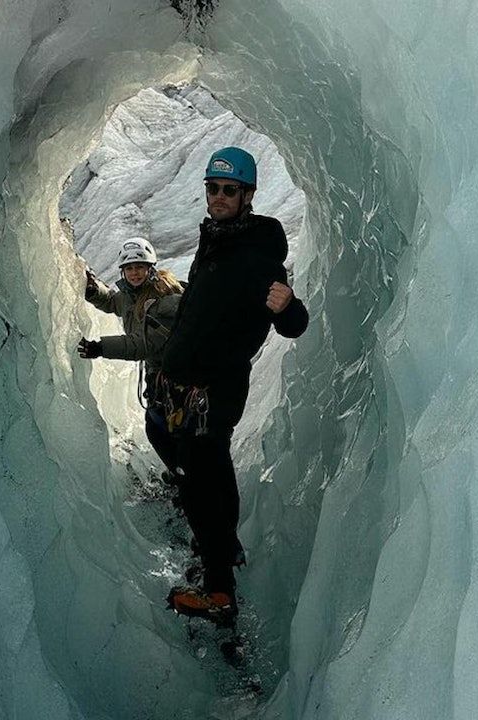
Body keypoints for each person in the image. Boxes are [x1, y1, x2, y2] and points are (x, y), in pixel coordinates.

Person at [157, 146, 309, 623]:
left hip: (217, 385)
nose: (219, 197)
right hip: (194, 382)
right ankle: (226, 548)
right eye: (213, 188)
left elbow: (293, 323)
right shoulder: (217, 238)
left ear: (248, 196)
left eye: (229, 190)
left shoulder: (257, 253)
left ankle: (219, 589)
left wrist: (287, 306)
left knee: (198, 477)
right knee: (209, 465)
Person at [75, 236, 185, 476]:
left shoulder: (163, 300)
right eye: (130, 269)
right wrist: (94, 292)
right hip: (161, 375)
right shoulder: (133, 294)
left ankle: (183, 475)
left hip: (175, 376)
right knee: (161, 426)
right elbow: (115, 302)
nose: (134, 273)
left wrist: (100, 347)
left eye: (139, 268)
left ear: (150, 269)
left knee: (163, 428)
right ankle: (180, 471)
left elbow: (142, 345)